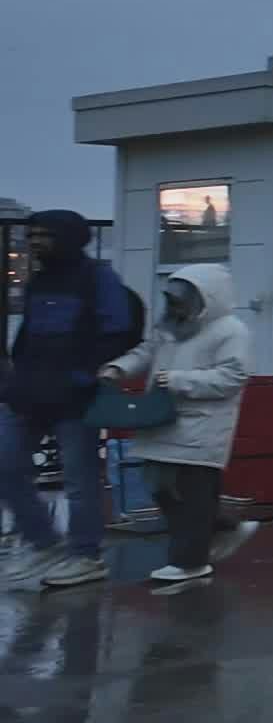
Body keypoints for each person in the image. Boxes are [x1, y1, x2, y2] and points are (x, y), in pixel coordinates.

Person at [1, 210, 138, 593]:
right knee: (5, 465)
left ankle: (85, 555)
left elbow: (120, 332)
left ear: (68, 237)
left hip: (75, 398)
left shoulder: (98, 278)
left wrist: (82, 376)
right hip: (27, 394)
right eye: (31, 235)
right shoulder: (38, 280)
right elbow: (27, 336)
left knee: (80, 482)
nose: (34, 242)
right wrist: (14, 381)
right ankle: (43, 542)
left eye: (42, 235)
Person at [97, 265, 257, 584]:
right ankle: (223, 527)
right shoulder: (170, 325)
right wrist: (119, 368)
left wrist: (178, 380)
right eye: (171, 299)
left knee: (190, 494)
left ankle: (190, 562)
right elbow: (147, 351)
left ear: (205, 298)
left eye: (181, 300)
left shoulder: (232, 331)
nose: (174, 306)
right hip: (161, 418)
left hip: (202, 425)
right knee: (159, 486)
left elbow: (233, 377)